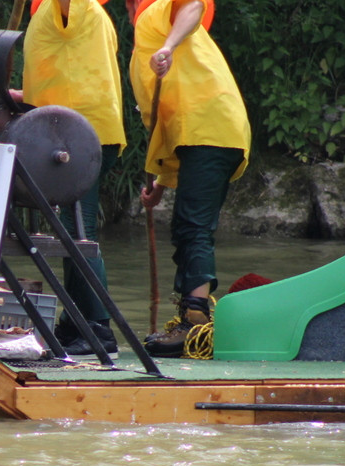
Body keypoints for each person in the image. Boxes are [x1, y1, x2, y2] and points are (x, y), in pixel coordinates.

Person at [126, 0, 251, 357]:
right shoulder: (146, 36)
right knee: (185, 225)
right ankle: (190, 314)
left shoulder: (160, 16)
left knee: (193, 225)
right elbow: (167, 123)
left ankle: (195, 319)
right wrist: (162, 185)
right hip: (201, 135)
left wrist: (168, 45)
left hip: (210, 129)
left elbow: (193, 4)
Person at [15, 0, 127, 358]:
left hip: (80, 137)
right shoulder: (71, 18)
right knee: (72, 228)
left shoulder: (74, 8)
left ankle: (97, 327)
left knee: (79, 232)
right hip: (77, 133)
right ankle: (77, 321)